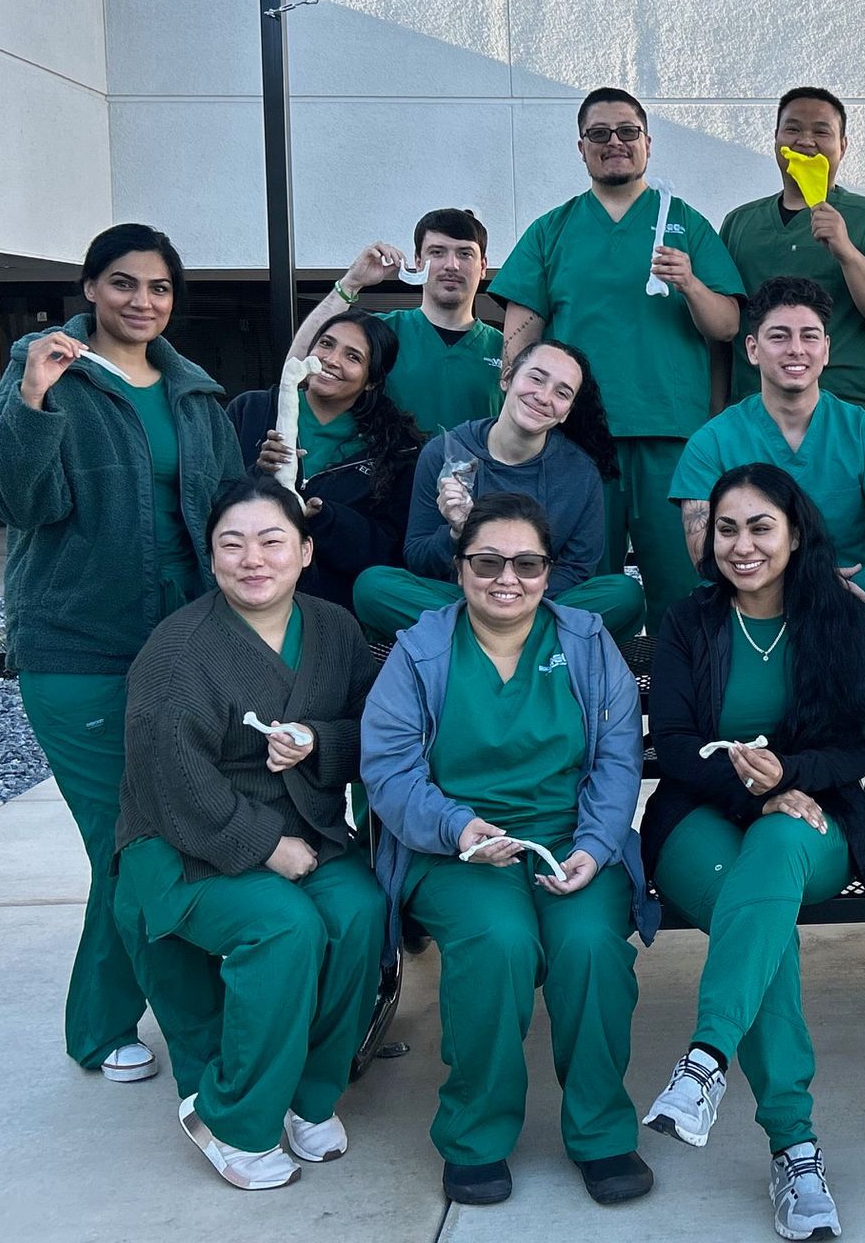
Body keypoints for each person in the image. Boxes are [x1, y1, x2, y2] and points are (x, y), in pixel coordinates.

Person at [0, 222, 244, 1086]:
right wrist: (33, 402)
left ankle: (99, 1019)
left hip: (182, 647)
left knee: (157, 835)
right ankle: (162, 1030)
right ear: (90, 287)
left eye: (159, 288)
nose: (142, 301)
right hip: (78, 648)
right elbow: (11, 498)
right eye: (123, 282)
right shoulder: (48, 370)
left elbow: (224, 512)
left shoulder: (193, 394)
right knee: (127, 844)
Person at [362, 492, 659, 1207]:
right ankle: (475, 1135)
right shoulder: (421, 651)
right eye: (487, 561)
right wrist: (457, 827)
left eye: (527, 564)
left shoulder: (586, 643)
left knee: (590, 948)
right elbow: (389, 770)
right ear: (459, 567)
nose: (507, 579)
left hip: (571, 841)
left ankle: (601, 1132)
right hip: (458, 847)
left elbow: (617, 760)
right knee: (497, 945)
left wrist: (596, 844)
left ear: (549, 571)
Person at [113, 477, 385, 1190]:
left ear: (305, 551)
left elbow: (374, 730)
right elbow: (166, 777)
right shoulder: (178, 651)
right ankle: (229, 1117)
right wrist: (266, 846)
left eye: (272, 541)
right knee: (284, 927)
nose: (252, 559)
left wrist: (318, 741)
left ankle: (310, 1094)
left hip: (308, 829)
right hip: (182, 845)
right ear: (211, 558)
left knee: (361, 912)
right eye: (231, 544)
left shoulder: (334, 629)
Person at [639, 464, 865, 1242]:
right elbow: (674, 742)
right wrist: (754, 790)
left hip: (814, 818)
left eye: (760, 527)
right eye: (727, 529)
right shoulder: (690, 620)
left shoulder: (839, 618)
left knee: (775, 855)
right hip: (699, 816)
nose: (742, 545)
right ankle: (795, 1152)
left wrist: (789, 778)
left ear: (796, 533)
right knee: (762, 928)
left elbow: (859, 743)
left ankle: (704, 1062)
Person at [672, 276, 865, 866]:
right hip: (752, 594)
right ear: (752, 349)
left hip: (852, 598)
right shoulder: (714, 441)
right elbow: (706, 555)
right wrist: (812, 576)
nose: (794, 349)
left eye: (808, 336)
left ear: (827, 349)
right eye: (778, 336)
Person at [489, 87, 746, 633]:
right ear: (580, 147)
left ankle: (681, 685)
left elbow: (727, 326)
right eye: (599, 133)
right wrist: (515, 412)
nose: (615, 143)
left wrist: (690, 283)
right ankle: (591, 685)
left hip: (671, 435)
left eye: (628, 131)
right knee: (583, 587)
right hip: (575, 438)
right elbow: (521, 331)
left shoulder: (685, 223)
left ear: (648, 143)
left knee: (685, 585)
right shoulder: (553, 229)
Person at [351, 338, 647, 643]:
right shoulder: (443, 452)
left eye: (562, 393)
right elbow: (418, 558)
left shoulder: (581, 473)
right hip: (460, 596)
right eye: (536, 378)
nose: (544, 397)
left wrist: (515, 601)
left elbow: (576, 569)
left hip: (537, 600)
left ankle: (470, 641)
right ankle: (528, 644)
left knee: (624, 595)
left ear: (566, 413)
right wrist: (455, 532)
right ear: (506, 378)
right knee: (373, 587)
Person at [722, 86, 865, 413]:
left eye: (821, 132)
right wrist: (717, 410)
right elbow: (723, 331)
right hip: (751, 414)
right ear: (775, 139)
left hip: (846, 413)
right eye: (793, 129)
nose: (805, 140)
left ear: (842, 146)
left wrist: (846, 252)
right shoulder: (739, 223)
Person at [227, 308, 423, 609]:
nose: (331, 360)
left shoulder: (397, 449)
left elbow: (388, 551)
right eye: (326, 344)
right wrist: (259, 475)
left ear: (371, 380)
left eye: (353, 357)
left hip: (331, 611)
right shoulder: (251, 410)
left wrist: (326, 519)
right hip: (242, 596)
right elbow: (213, 499)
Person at [289, 208, 503, 434]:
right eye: (437, 252)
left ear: (483, 266)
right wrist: (351, 283)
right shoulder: (380, 332)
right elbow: (296, 370)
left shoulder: (505, 347)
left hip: (478, 460)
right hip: (383, 458)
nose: (451, 265)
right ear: (418, 262)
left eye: (465, 254)